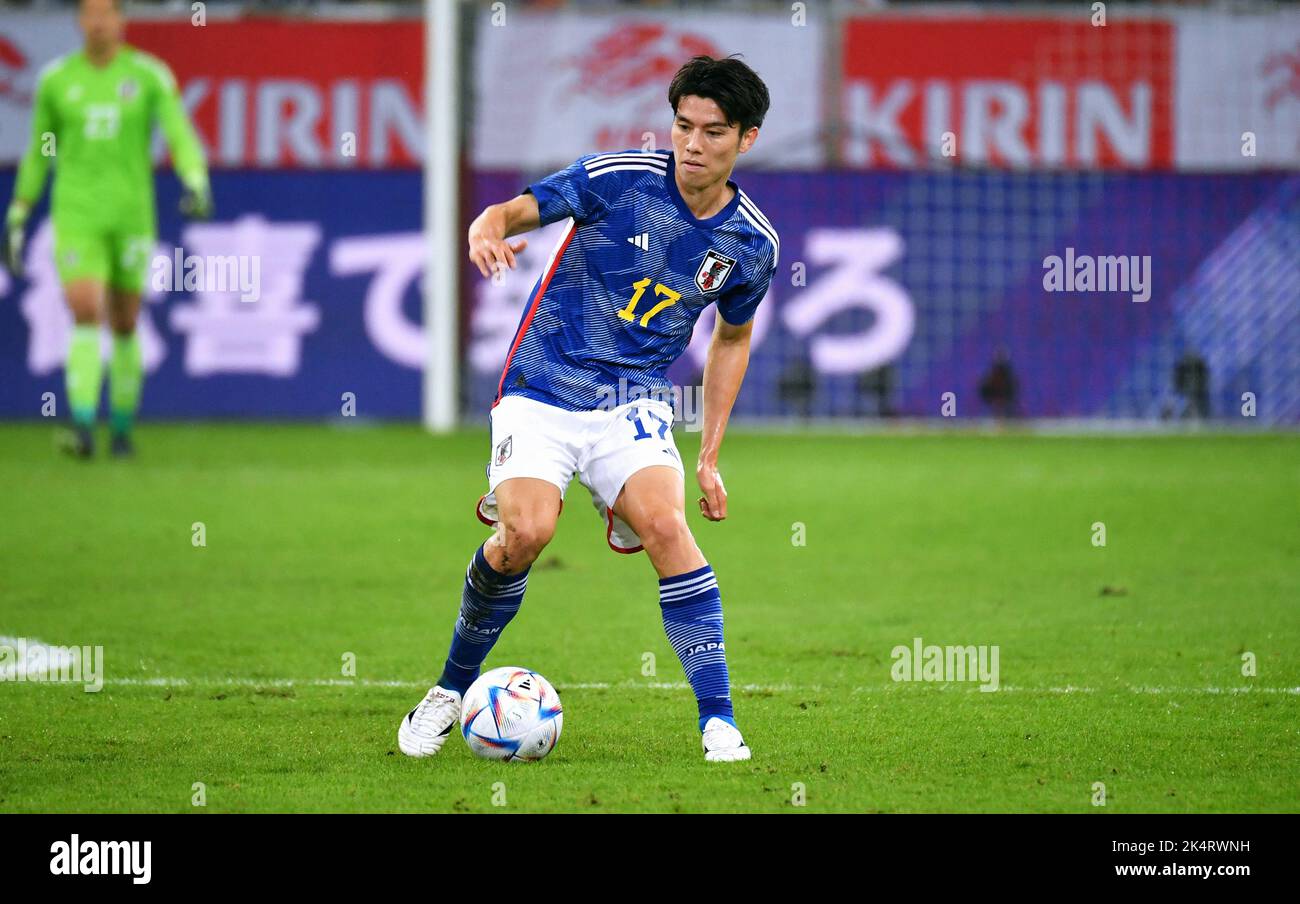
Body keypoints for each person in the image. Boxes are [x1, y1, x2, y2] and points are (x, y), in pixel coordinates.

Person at [399, 55, 778, 763]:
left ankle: (719, 722)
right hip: (542, 385)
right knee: (525, 537)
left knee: (667, 526)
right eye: (683, 126)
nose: (692, 144)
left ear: (746, 140)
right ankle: (451, 689)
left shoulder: (750, 244)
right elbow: (511, 211)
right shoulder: (619, 178)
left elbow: (732, 336)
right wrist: (486, 228)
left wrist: (711, 455)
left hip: (630, 398)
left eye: (713, 132)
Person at [3, 0, 212, 458]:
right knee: (83, 307)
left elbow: (178, 131)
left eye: (106, 13)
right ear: (80, 22)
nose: (98, 23)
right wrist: (20, 210)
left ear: (121, 20)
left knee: (124, 320)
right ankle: (80, 425)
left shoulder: (149, 74)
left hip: (132, 215)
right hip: (77, 212)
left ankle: (120, 428)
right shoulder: (57, 80)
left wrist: (194, 177)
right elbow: (40, 150)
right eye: (90, 14)